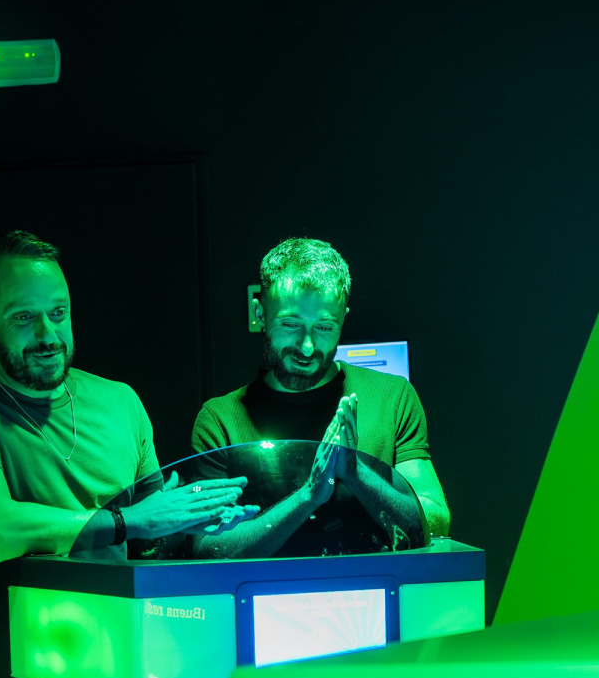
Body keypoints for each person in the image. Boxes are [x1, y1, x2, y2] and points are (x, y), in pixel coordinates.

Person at [0, 230, 253, 678]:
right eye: (23, 317)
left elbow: (151, 539)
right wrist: (130, 521)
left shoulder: (120, 403)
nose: (48, 334)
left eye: (58, 312)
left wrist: (188, 522)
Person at [187, 237, 449, 558]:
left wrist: (355, 472)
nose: (307, 346)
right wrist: (309, 496)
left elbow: (436, 521)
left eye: (325, 327)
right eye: (290, 324)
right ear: (260, 313)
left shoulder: (392, 397)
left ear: (343, 319)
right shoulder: (219, 419)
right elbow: (205, 546)